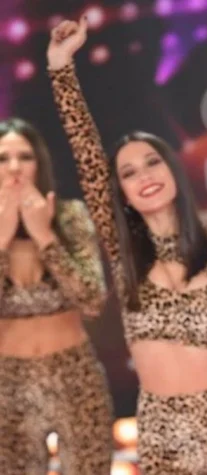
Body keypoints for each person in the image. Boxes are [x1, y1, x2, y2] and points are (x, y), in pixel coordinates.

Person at [46, 17, 207, 474]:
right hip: (161, 435)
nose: (144, 177)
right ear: (119, 192)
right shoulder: (126, 256)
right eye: (129, 173)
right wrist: (61, 68)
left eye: (152, 163)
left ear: (173, 170)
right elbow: (88, 156)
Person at [0, 118, 112, 473]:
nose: (14, 167)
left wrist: (45, 237)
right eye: (3, 158)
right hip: (8, 383)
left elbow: (93, 299)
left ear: (40, 163)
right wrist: (2, 240)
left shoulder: (70, 215)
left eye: (25, 156)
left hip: (75, 374)